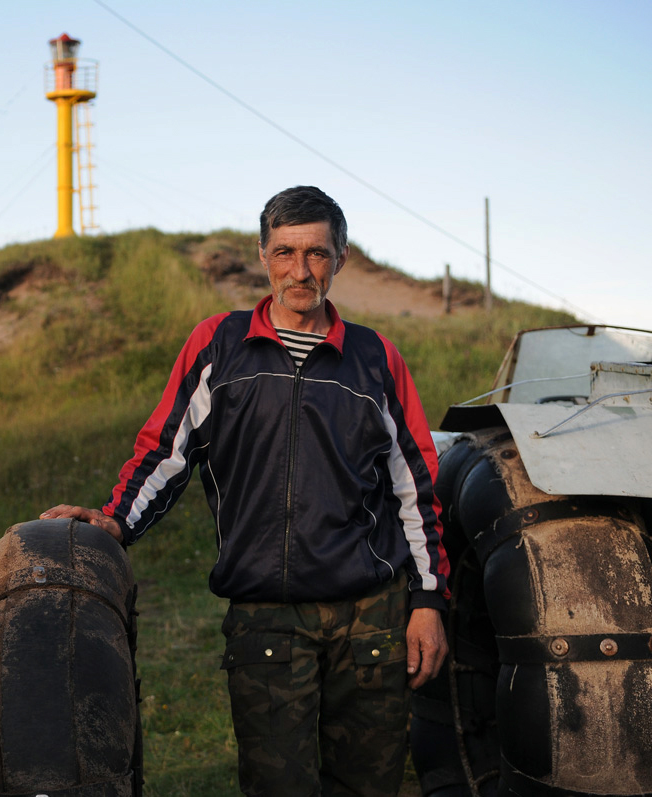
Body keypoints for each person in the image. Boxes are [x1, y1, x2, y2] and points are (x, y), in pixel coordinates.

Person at [42, 186, 449, 797]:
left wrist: (429, 602)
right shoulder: (220, 346)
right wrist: (114, 522)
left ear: (342, 257)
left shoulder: (376, 359)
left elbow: (416, 489)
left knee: (369, 786)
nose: (301, 269)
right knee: (276, 786)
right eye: (285, 251)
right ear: (262, 255)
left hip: (371, 617)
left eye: (317, 253)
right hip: (265, 616)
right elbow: (165, 453)